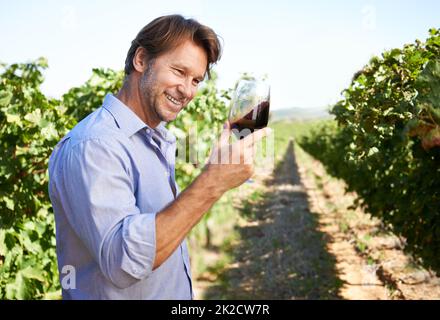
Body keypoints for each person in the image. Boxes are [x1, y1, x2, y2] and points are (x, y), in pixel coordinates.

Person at [48, 14, 270, 300]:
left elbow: (162, 235)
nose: (188, 90)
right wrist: (212, 182)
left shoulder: (155, 140)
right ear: (141, 60)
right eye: (179, 72)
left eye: (196, 80)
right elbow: (123, 263)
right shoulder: (95, 145)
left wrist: (216, 175)